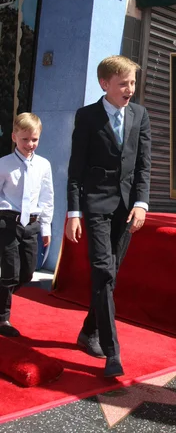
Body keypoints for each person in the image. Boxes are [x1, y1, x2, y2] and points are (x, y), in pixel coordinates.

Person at [66, 55, 151, 378]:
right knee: (103, 272)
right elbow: (76, 170)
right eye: (123, 84)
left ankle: (88, 330)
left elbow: (144, 164)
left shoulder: (140, 115)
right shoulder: (87, 117)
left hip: (127, 210)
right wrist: (74, 212)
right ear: (105, 84)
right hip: (96, 207)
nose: (130, 89)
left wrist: (141, 203)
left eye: (132, 83)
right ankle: (111, 352)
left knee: (109, 277)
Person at [0, 113, 53, 337]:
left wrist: (46, 227)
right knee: (10, 272)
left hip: (31, 224)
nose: (30, 144)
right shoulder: (4, 164)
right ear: (14, 137)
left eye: (34, 139)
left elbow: (47, 197)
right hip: (8, 222)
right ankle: (3, 318)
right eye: (24, 139)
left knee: (27, 273)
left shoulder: (43, 165)